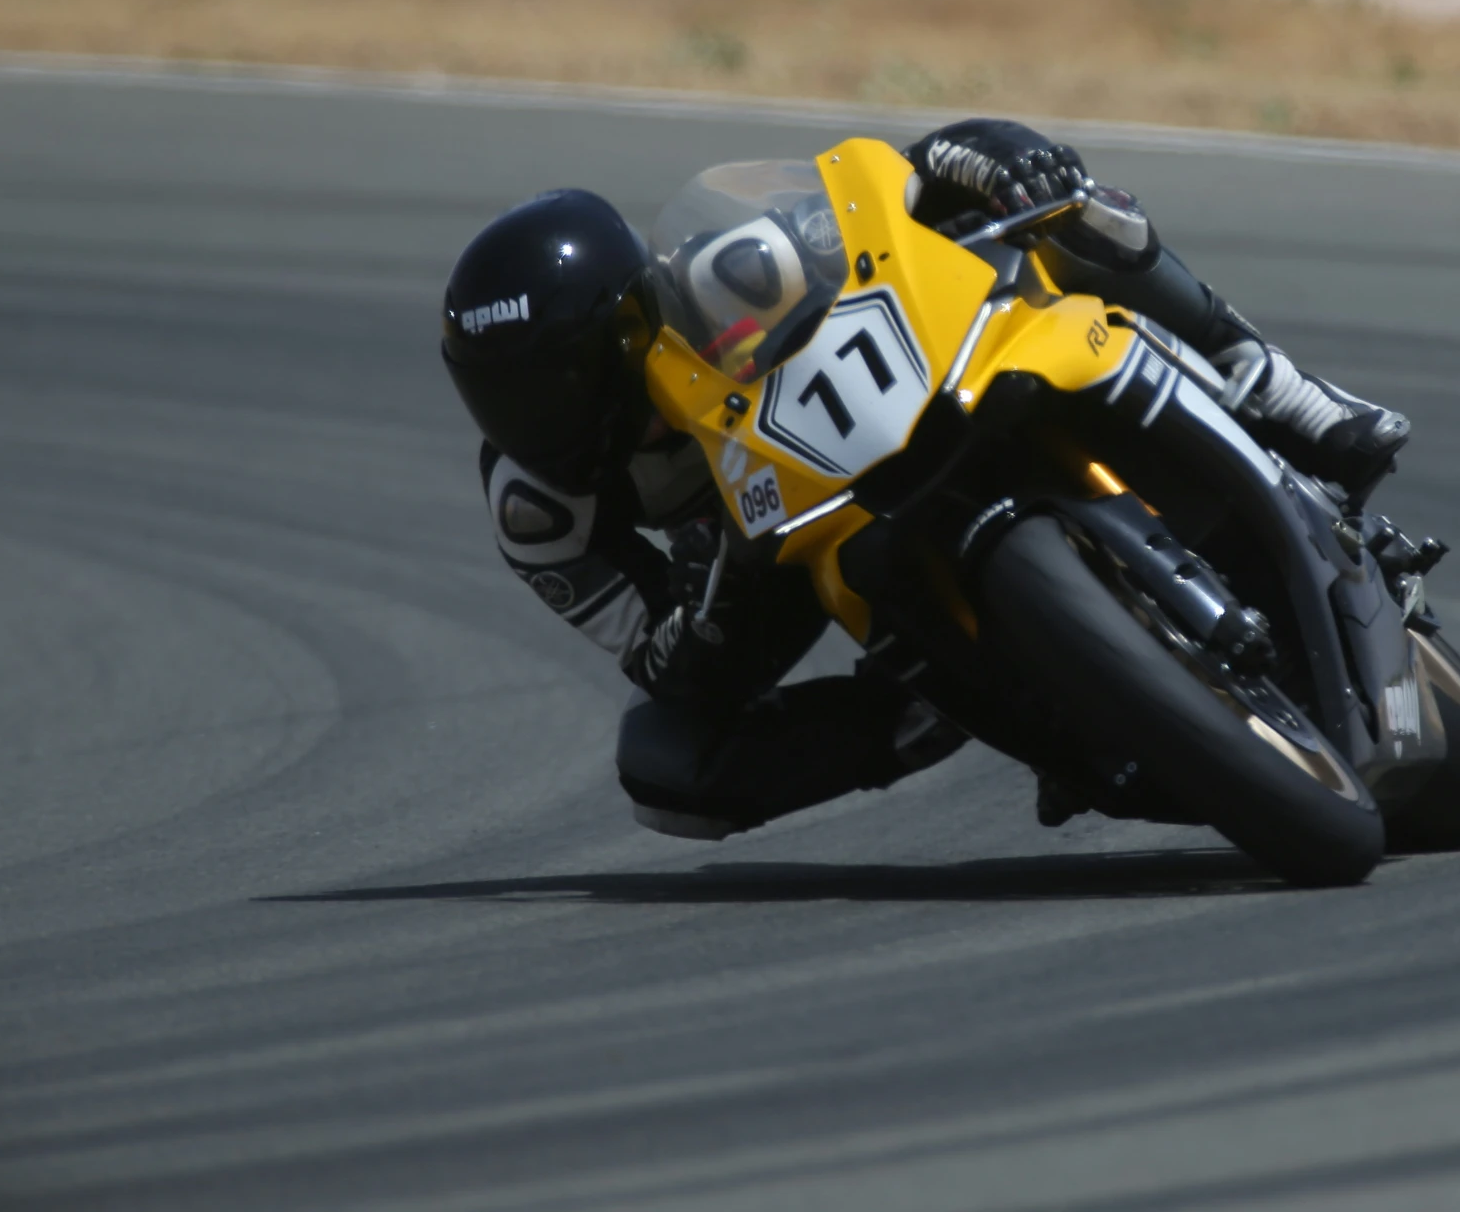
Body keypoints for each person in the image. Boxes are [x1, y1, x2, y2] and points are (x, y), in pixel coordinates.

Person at [440, 120, 1410, 839]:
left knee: (1073, 216)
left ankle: (1287, 392)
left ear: (628, 323)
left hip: (897, 399)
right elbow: (660, 662)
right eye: (508, 395)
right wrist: (717, 587)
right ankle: (927, 710)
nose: (543, 418)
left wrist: (977, 153)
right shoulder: (537, 509)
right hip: (760, 566)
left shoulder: (727, 271)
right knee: (667, 771)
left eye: (565, 375)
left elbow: (883, 197)